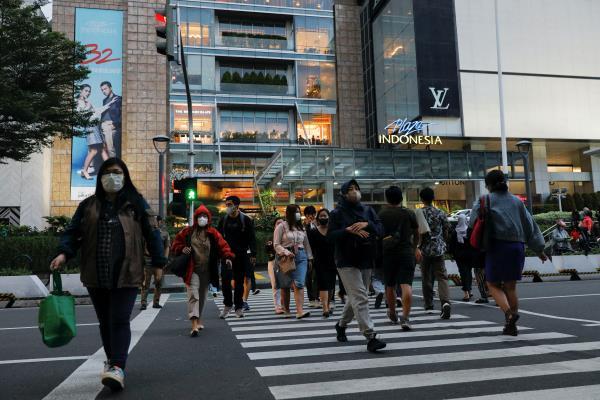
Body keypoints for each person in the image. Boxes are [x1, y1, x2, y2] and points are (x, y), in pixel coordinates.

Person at [50, 158, 167, 391]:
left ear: (125, 176)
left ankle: (117, 366)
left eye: (117, 172)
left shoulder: (136, 204)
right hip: (96, 274)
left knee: (120, 319)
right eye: (108, 172)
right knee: (105, 322)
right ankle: (113, 361)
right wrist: (63, 254)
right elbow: (73, 233)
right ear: (100, 177)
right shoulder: (88, 206)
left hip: (128, 272)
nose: (112, 177)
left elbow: (153, 233)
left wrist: (158, 262)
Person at [470, 170, 546, 336]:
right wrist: (539, 249)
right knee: (511, 287)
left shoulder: (485, 200)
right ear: (505, 182)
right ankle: (511, 326)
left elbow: (471, 223)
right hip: (517, 247)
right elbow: (529, 226)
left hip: (496, 247)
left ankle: (509, 315)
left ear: (488, 185)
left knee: (492, 284)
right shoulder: (516, 201)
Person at [329, 179, 386, 353]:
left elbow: (381, 229)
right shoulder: (337, 213)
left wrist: (367, 224)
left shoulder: (368, 210)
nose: (355, 192)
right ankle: (370, 336)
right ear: (344, 193)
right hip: (346, 261)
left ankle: (341, 325)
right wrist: (347, 230)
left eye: (357, 188)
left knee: (356, 297)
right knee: (360, 296)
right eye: (350, 189)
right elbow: (330, 236)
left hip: (366, 258)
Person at [171, 205, 234, 336]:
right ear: (195, 218)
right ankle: (194, 325)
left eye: (204, 216)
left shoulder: (213, 233)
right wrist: (182, 248)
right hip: (191, 270)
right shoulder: (187, 232)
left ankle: (198, 320)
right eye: (200, 216)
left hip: (207, 271)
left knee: (203, 297)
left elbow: (223, 246)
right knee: (193, 295)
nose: (202, 218)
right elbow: (175, 244)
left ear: (208, 218)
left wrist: (228, 257)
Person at [378, 186, 420, 330]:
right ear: (401, 198)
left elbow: (378, 235)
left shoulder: (382, 214)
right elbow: (417, 233)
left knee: (390, 285)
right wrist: (414, 248)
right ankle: (405, 317)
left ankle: (392, 312)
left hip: (388, 253)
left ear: (387, 198)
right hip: (406, 252)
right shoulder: (409, 213)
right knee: (406, 285)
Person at [217, 196, 257, 318]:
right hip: (227, 255)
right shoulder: (223, 220)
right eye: (226, 204)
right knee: (225, 281)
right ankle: (227, 305)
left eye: (229, 204)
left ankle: (238, 307)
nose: (227, 206)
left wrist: (253, 254)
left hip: (241, 255)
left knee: (239, 282)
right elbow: (218, 238)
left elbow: (252, 238)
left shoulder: (245, 220)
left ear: (236, 205)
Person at [274, 205, 313, 319]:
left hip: (301, 256)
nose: (297, 214)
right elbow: (276, 244)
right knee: (285, 285)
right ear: (289, 213)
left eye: (298, 212)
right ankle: (286, 309)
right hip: (285, 258)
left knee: (299, 283)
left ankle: (299, 311)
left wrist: (310, 258)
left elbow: (306, 244)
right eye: (295, 212)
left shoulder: (301, 227)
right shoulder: (281, 227)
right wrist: (286, 252)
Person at [419, 187, 452, 319]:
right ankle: (445, 302)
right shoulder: (440, 213)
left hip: (424, 249)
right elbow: (447, 230)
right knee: (442, 277)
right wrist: (443, 241)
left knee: (426, 276)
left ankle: (429, 303)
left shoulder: (419, 213)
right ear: (433, 198)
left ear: (421, 199)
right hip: (438, 249)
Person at [76, 84, 111, 180]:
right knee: (94, 151)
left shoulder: (87, 101)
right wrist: (90, 111)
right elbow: (82, 117)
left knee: (103, 149)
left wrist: (108, 105)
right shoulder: (79, 102)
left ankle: (110, 171)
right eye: (86, 91)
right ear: (81, 91)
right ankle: (85, 171)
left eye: (89, 91)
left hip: (96, 126)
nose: (88, 93)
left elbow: (97, 111)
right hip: (91, 127)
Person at [307, 209, 337, 318]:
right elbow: (309, 247)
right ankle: (325, 308)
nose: (323, 218)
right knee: (323, 284)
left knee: (331, 284)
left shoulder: (333, 231)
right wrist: (310, 259)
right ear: (318, 218)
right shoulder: (313, 232)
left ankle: (328, 305)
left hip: (333, 260)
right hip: (319, 261)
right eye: (321, 216)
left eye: (325, 216)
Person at [140, 215, 170, 310]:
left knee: (158, 281)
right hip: (148, 260)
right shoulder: (146, 232)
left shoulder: (164, 233)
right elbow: (142, 245)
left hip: (159, 261)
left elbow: (167, 246)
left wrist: (165, 259)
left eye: (154, 220)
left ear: (159, 222)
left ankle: (156, 302)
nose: (151, 222)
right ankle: (143, 303)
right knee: (146, 283)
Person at [448, 214, 473, 302]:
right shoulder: (469, 231)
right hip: (469, 255)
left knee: (463, 273)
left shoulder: (455, 232)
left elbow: (452, 245)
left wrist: (451, 254)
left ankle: (466, 292)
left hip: (459, 256)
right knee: (469, 272)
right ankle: (469, 290)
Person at [266, 218, 285, 314]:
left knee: (284, 284)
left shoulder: (286, 236)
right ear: (274, 226)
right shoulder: (271, 237)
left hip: (285, 262)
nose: (280, 225)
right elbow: (268, 251)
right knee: (275, 284)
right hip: (273, 262)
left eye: (282, 223)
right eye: (278, 223)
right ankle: (277, 306)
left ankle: (283, 304)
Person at [100, 81, 122, 158]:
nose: (103, 91)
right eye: (102, 90)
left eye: (105, 89)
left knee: (112, 148)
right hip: (104, 126)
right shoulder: (104, 100)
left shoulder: (118, 99)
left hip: (111, 125)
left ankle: (114, 167)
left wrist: (115, 123)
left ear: (110, 88)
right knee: (107, 148)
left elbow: (122, 113)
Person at [304, 205, 320, 308]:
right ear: (305, 215)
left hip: (318, 254)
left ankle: (317, 297)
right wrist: (306, 226)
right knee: (308, 277)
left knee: (317, 276)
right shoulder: (302, 225)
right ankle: (311, 299)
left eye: (313, 214)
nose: (311, 216)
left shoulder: (318, 224)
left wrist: (316, 225)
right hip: (306, 255)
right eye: (308, 214)